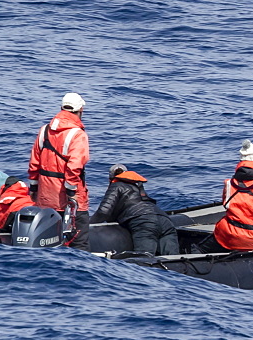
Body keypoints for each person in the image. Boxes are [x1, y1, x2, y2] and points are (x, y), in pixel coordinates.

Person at [28, 92, 91, 250]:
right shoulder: (78, 134)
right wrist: (71, 193)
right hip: (69, 199)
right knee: (78, 240)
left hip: (44, 196)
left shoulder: (44, 130)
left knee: (47, 235)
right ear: (80, 110)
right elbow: (75, 165)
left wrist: (34, 189)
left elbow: (34, 163)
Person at [91, 164, 178, 256]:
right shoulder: (138, 187)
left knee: (144, 259)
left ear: (111, 178)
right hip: (165, 220)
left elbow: (103, 212)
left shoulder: (116, 185)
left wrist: (89, 225)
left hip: (144, 222)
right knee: (172, 258)